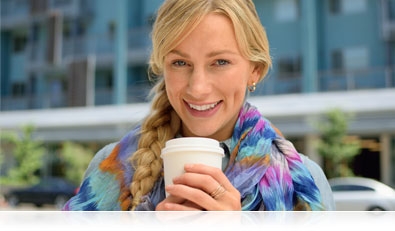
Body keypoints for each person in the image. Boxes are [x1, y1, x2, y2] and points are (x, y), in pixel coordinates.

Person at [63, 0, 335, 211]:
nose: (198, 87)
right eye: (180, 63)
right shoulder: (110, 169)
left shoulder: (305, 181)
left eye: (220, 62)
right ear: (163, 67)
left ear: (255, 71)